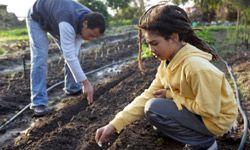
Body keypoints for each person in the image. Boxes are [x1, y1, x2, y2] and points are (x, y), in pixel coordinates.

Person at [95, 4, 238, 150]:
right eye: (148, 44)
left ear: (174, 38)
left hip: (216, 121)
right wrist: (114, 124)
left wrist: (170, 95)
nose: (151, 50)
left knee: (155, 108)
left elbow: (209, 110)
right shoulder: (167, 63)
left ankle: (205, 144)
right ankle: (192, 134)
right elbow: (148, 95)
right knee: (155, 111)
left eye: (155, 43)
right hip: (203, 114)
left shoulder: (195, 67)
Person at [26, 0, 106, 117]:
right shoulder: (68, 22)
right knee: (40, 57)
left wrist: (83, 82)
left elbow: (73, 54)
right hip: (38, 16)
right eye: (91, 35)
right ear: (85, 24)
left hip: (56, 19)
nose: (91, 39)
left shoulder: (89, 19)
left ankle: (72, 88)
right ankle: (38, 103)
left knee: (75, 54)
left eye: (95, 37)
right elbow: (69, 55)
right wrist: (86, 83)